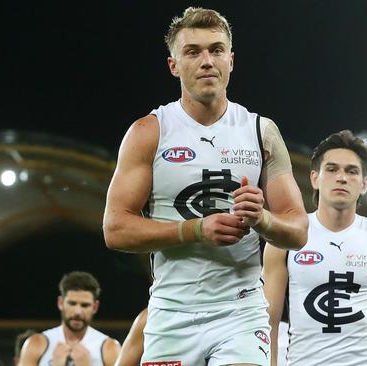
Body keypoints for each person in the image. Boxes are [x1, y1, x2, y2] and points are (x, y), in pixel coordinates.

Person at [102, 7, 308, 366]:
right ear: (174, 65)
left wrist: (262, 220)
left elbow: (299, 229)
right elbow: (115, 229)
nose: (207, 61)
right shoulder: (148, 132)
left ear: (231, 60)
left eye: (216, 50)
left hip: (241, 311)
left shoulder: (262, 132)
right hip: (172, 312)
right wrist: (196, 229)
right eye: (193, 52)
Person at [264, 130, 367, 366]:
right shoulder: (287, 237)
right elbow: (268, 322)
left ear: (364, 184)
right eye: (332, 169)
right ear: (315, 178)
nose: (341, 177)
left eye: (351, 171)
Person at [18, 271, 121, 366]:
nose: (77, 312)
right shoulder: (36, 344)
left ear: (95, 307)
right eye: (72, 303)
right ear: (60, 303)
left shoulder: (110, 348)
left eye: (85, 305)